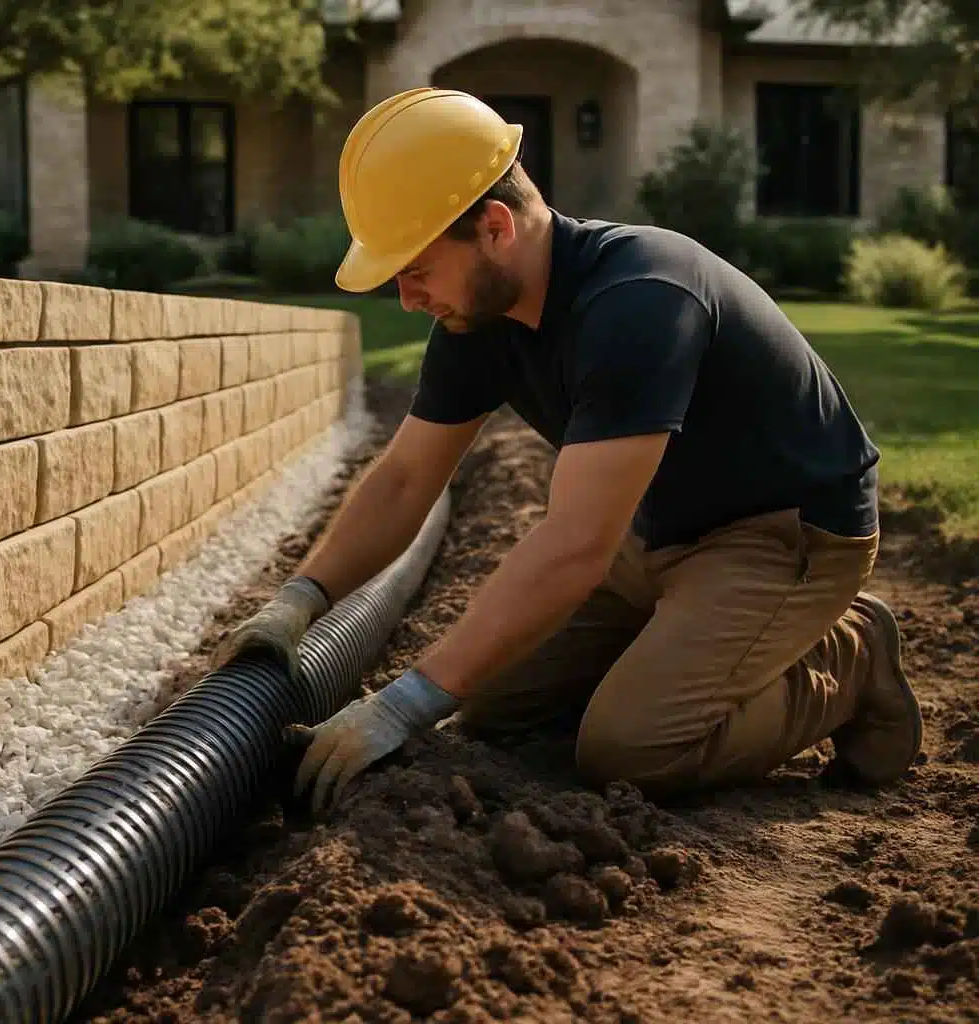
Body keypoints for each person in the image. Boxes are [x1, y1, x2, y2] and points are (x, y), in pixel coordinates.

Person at [211, 87, 923, 813]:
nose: (406, 297)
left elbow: (576, 544)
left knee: (631, 748)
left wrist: (401, 704)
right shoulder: (477, 321)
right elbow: (402, 481)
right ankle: (676, 647)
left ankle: (853, 657)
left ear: (493, 227)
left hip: (782, 536)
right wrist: (299, 602)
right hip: (650, 533)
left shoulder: (639, 300)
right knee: (488, 704)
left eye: (416, 269)